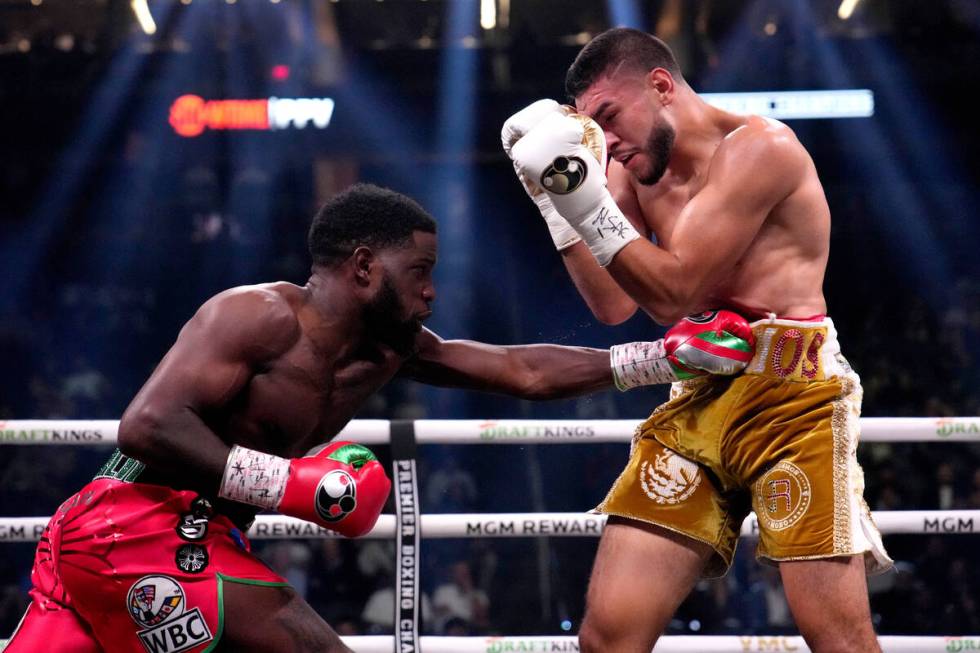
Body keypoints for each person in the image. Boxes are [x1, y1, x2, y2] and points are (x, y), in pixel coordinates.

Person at [7, 183, 754, 652]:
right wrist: (291, 484)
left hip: (184, 534)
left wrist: (658, 357)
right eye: (419, 273)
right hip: (133, 520)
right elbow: (146, 425)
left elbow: (516, 368)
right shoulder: (254, 315)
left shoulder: (389, 349)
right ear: (364, 266)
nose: (430, 293)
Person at [502, 28, 892, 653]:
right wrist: (558, 205)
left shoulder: (762, 148)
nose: (609, 143)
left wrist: (581, 195)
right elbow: (612, 303)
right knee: (607, 637)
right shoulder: (630, 169)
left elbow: (674, 292)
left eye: (609, 117)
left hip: (795, 404)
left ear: (660, 86)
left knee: (836, 639)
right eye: (591, 130)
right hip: (700, 394)